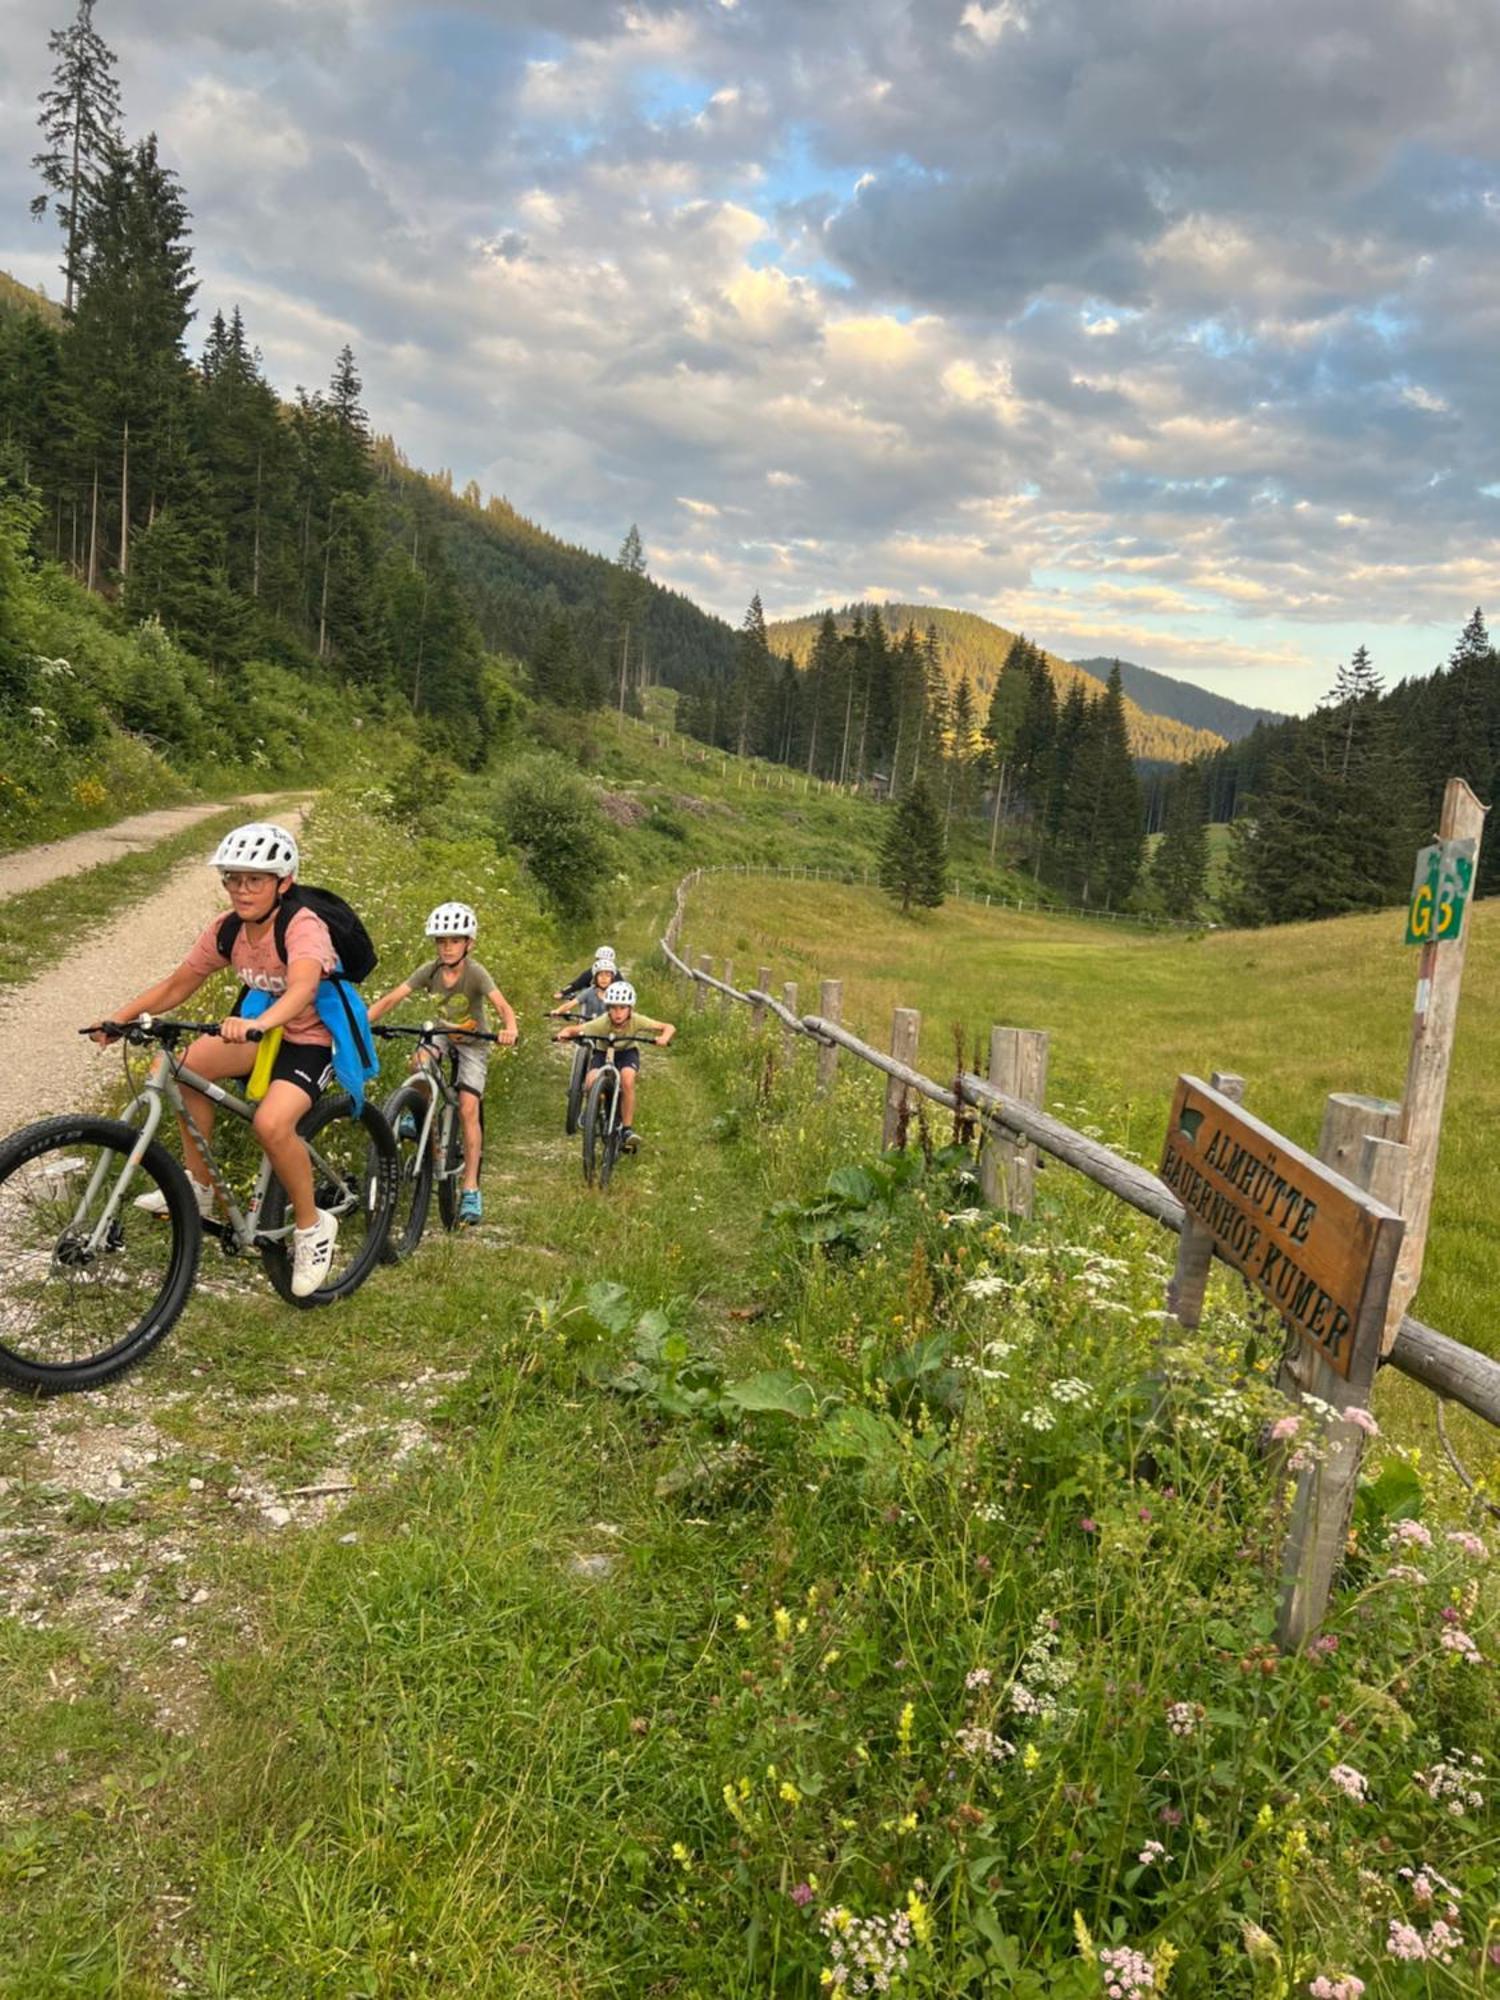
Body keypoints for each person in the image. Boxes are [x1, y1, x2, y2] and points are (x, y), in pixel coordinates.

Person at [88, 821, 340, 1299]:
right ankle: (198, 1189)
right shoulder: (228, 930)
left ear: (283, 883)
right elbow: (178, 983)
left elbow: (304, 985)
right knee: (185, 1065)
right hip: (263, 1030)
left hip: (310, 1038)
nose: (242, 890)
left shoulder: (303, 925)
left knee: (270, 1125)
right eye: (233, 878)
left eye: (255, 879)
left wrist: (261, 1024)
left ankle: (312, 1228)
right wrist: (119, 1017)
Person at [366, 901, 517, 1224]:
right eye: (441, 941)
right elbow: (394, 997)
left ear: (468, 944)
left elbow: (502, 1006)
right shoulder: (429, 970)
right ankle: (419, 1113)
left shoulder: (475, 973)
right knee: (419, 1062)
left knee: (467, 1108)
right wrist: (362, 1022)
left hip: (475, 1042)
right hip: (443, 1033)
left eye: (454, 941)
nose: (447, 947)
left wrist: (510, 1028)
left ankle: (471, 1188)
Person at [555, 979, 674, 1151]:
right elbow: (574, 1030)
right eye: (613, 1007)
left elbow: (668, 1027)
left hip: (627, 1053)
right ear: (607, 1008)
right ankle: (595, 1110)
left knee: (627, 1079)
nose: (618, 1013)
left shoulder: (637, 1020)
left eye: (623, 1008)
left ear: (630, 1009)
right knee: (590, 1081)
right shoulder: (602, 1022)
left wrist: (664, 1038)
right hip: (602, 1053)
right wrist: (563, 1033)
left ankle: (626, 1129)